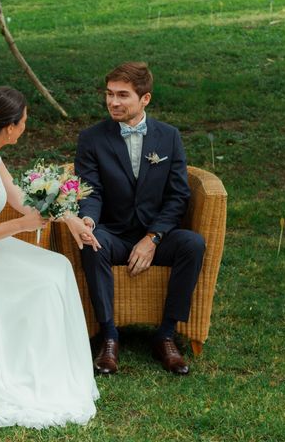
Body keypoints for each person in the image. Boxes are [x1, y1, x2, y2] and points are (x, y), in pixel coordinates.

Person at [0, 86, 98, 428]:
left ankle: (53, 367)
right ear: (9, 127)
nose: (26, 127)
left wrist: (67, 217)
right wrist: (20, 227)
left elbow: (21, 199)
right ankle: (26, 369)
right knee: (42, 281)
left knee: (58, 266)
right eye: (24, 121)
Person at [74, 62, 206, 376]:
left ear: (144, 99)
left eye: (123, 95)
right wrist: (89, 222)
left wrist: (154, 237)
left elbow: (177, 196)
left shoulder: (169, 137)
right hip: (114, 233)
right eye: (109, 94)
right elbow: (89, 190)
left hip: (156, 235)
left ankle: (166, 335)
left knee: (193, 243)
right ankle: (109, 336)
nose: (113, 102)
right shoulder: (91, 139)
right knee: (92, 244)